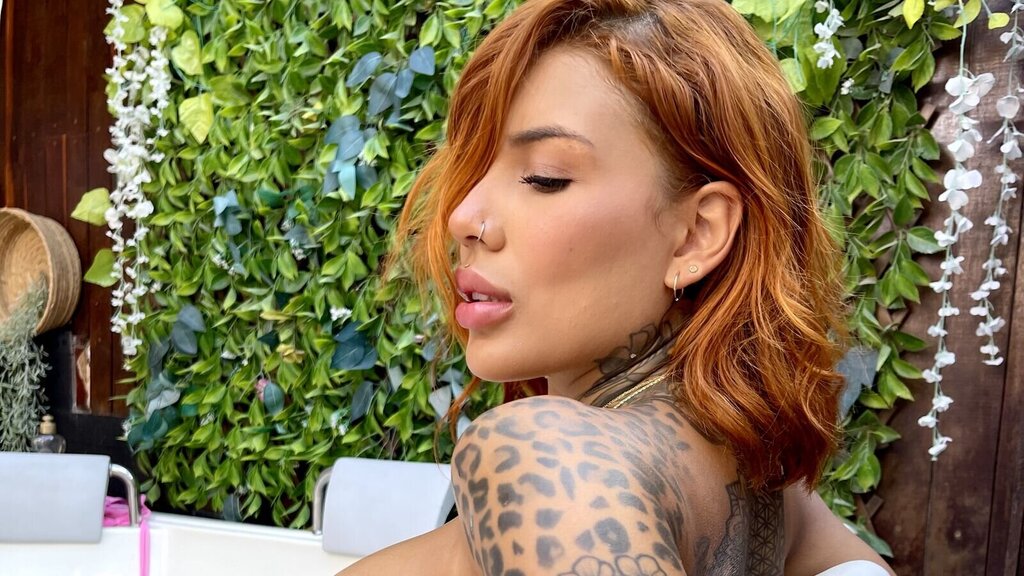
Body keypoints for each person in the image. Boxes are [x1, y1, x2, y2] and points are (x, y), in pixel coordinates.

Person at [340, 0, 896, 573]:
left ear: (696, 235)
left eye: (544, 178)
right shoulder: (772, 494)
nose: (462, 217)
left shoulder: (550, 463)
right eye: (475, 168)